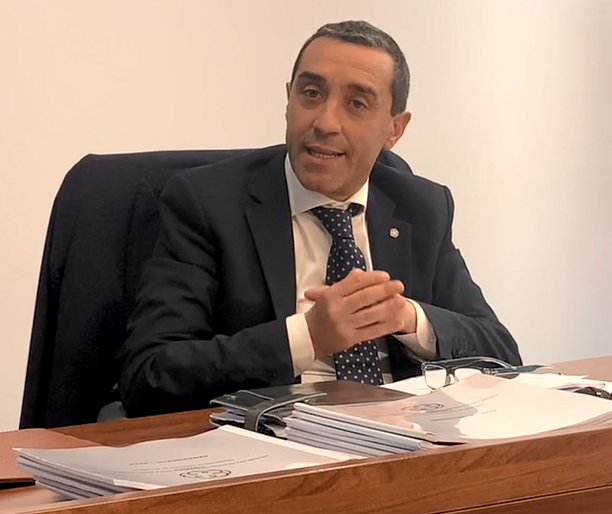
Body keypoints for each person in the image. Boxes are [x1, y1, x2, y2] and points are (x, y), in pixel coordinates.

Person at [117, 20, 521, 418]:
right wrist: (308, 336)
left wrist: (406, 317)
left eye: (356, 104)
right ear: (288, 100)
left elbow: (501, 354)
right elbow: (148, 375)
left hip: (403, 437)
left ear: (394, 130)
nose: (325, 123)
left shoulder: (421, 206)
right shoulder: (207, 203)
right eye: (311, 94)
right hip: (270, 439)